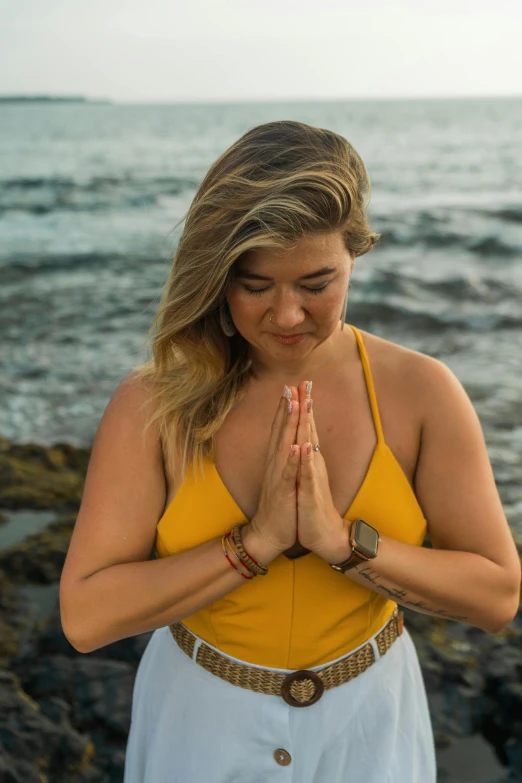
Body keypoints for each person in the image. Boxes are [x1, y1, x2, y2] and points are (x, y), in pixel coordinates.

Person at [59, 120, 521, 783]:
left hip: (371, 721)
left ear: (355, 253)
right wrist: (257, 541)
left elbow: (498, 592)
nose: (285, 314)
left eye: (315, 282)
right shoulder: (153, 402)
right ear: (217, 273)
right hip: (200, 722)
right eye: (254, 284)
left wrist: (344, 544)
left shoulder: (422, 392)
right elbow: (84, 615)